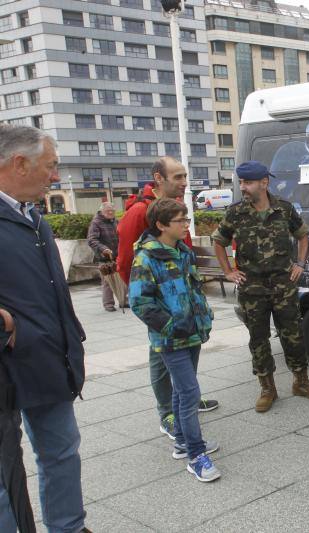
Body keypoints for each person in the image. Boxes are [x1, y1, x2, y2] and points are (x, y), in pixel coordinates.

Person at [0, 124, 89, 532]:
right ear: (19, 163)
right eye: (50, 166)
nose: (55, 176)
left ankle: (68, 527)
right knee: (4, 477)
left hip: (49, 359)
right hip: (7, 366)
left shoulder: (36, 219)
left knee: (61, 452)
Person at [212, 161, 309, 413]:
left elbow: (303, 235)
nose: (243, 187)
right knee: (259, 340)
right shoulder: (235, 212)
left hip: (284, 286)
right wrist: (228, 272)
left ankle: (302, 382)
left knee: (293, 336)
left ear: (264, 183)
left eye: (248, 182)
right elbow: (218, 241)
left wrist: (300, 263)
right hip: (252, 289)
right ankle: (267, 388)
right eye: (241, 182)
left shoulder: (284, 210)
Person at [116, 157, 218, 439]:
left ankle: (186, 399)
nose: (184, 182)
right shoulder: (140, 212)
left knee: (182, 358)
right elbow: (126, 261)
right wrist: (153, 306)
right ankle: (168, 414)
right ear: (159, 179)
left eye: (185, 176)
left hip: (182, 307)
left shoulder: (176, 211)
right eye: (178, 177)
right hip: (161, 307)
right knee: (161, 359)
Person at [129, 199, 220, 482]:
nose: (186, 225)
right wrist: (171, 327)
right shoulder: (146, 258)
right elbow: (139, 302)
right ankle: (195, 455)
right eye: (181, 221)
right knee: (190, 392)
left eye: (186, 220)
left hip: (192, 333)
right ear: (161, 224)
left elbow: (193, 290)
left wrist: (202, 316)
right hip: (171, 340)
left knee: (182, 392)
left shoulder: (182, 251)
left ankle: (182, 441)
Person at [87, 201, 120, 312]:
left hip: (117, 255)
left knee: (121, 280)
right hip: (104, 257)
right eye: (108, 211)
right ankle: (108, 304)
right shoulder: (96, 223)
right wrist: (103, 249)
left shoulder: (116, 221)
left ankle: (123, 301)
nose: (110, 212)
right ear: (102, 211)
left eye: (112, 210)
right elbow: (92, 240)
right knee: (107, 281)